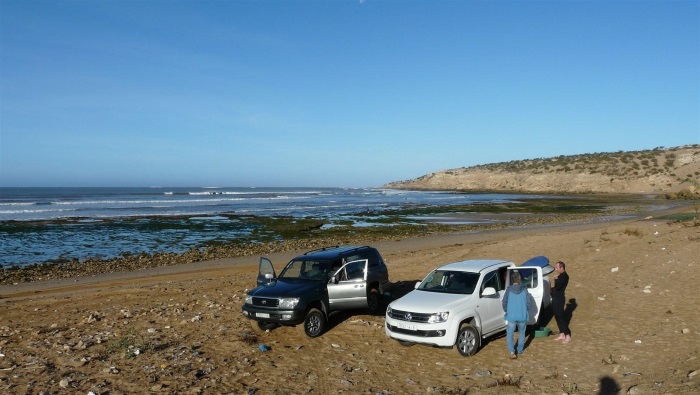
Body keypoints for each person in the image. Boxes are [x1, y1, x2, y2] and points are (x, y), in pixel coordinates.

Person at [502, 271, 531, 359]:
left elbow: (504, 303)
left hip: (511, 316)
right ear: (519, 279)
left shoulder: (509, 290)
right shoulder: (525, 290)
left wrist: (507, 310)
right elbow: (529, 304)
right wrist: (525, 310)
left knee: (510, 333)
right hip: (522, 315)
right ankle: (520, 350)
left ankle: (512, 351)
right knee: (522, 333)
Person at [551, 261, 571, 343]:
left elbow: (558, 287)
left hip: (560, 299)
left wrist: (556, 280)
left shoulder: (565, 276)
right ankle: (562, 333)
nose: (556, 269)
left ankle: (568, 335)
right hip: (556, 298)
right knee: (557, 316)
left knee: (561, 317)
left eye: (557, 267)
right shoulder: (561, 276)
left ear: (561, 268)